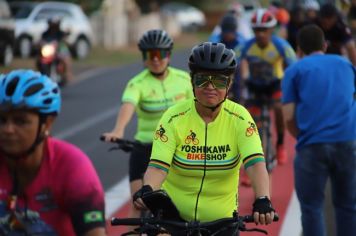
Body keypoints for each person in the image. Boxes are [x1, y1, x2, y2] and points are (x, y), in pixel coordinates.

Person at [133, 42, 276, 235]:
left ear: (229, 84)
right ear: (192, 81)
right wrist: (148, 188)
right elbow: (158, 166)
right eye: (202, 80)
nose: (210, 87)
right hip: (173, 220)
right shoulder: (173, 118)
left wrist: (262, 198)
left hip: (222, 224)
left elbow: (255, 163)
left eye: (218, 81)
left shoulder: (240, 118)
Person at [0, 70, 106, 236]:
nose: (8, 129)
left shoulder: (72, 165)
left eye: (20, 121)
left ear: (47, 124)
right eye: (1, 120)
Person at [101, 29, 192, 222]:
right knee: (137, 204)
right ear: (144, 56)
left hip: (178, 149)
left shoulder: (184, 79)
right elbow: (128, 105)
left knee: (180, 206)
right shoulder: (137, 83)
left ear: (168, 55)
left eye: (160, 54)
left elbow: (196, 110)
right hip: (144, 148)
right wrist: (119, 130)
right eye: (150, 54)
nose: (156, 59)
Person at [282, 24, 356, 236]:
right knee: (348, 205)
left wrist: (302, 136)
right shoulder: (345, 64)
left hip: (312, 145)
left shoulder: (294, 70)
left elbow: (288, 116)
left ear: (299, 49)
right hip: (347, 142)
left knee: (312, 208)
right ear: (324, 45)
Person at [236, 9, 297, 166]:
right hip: (255, 85)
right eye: (256, 30)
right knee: (251, 119)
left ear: (271, 30)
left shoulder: (281, 45)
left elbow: (295, 67)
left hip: (275, 84)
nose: (260, 33)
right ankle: (254, 151)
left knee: (278, 108)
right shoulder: (246, 46)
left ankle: (280, 144)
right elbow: (230, 64)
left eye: (264, 29)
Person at [39, 16, 73, 84]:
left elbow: (65, 41)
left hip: (58, 51)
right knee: (39, 59)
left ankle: (67, 73)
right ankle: (40, 75)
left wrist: (63, 42)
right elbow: (41, 42)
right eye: (52, 25)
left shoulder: (61, 33)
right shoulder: (45, 34)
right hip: (49, 52)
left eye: (55, 25)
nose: (53, 27)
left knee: (65, 58)